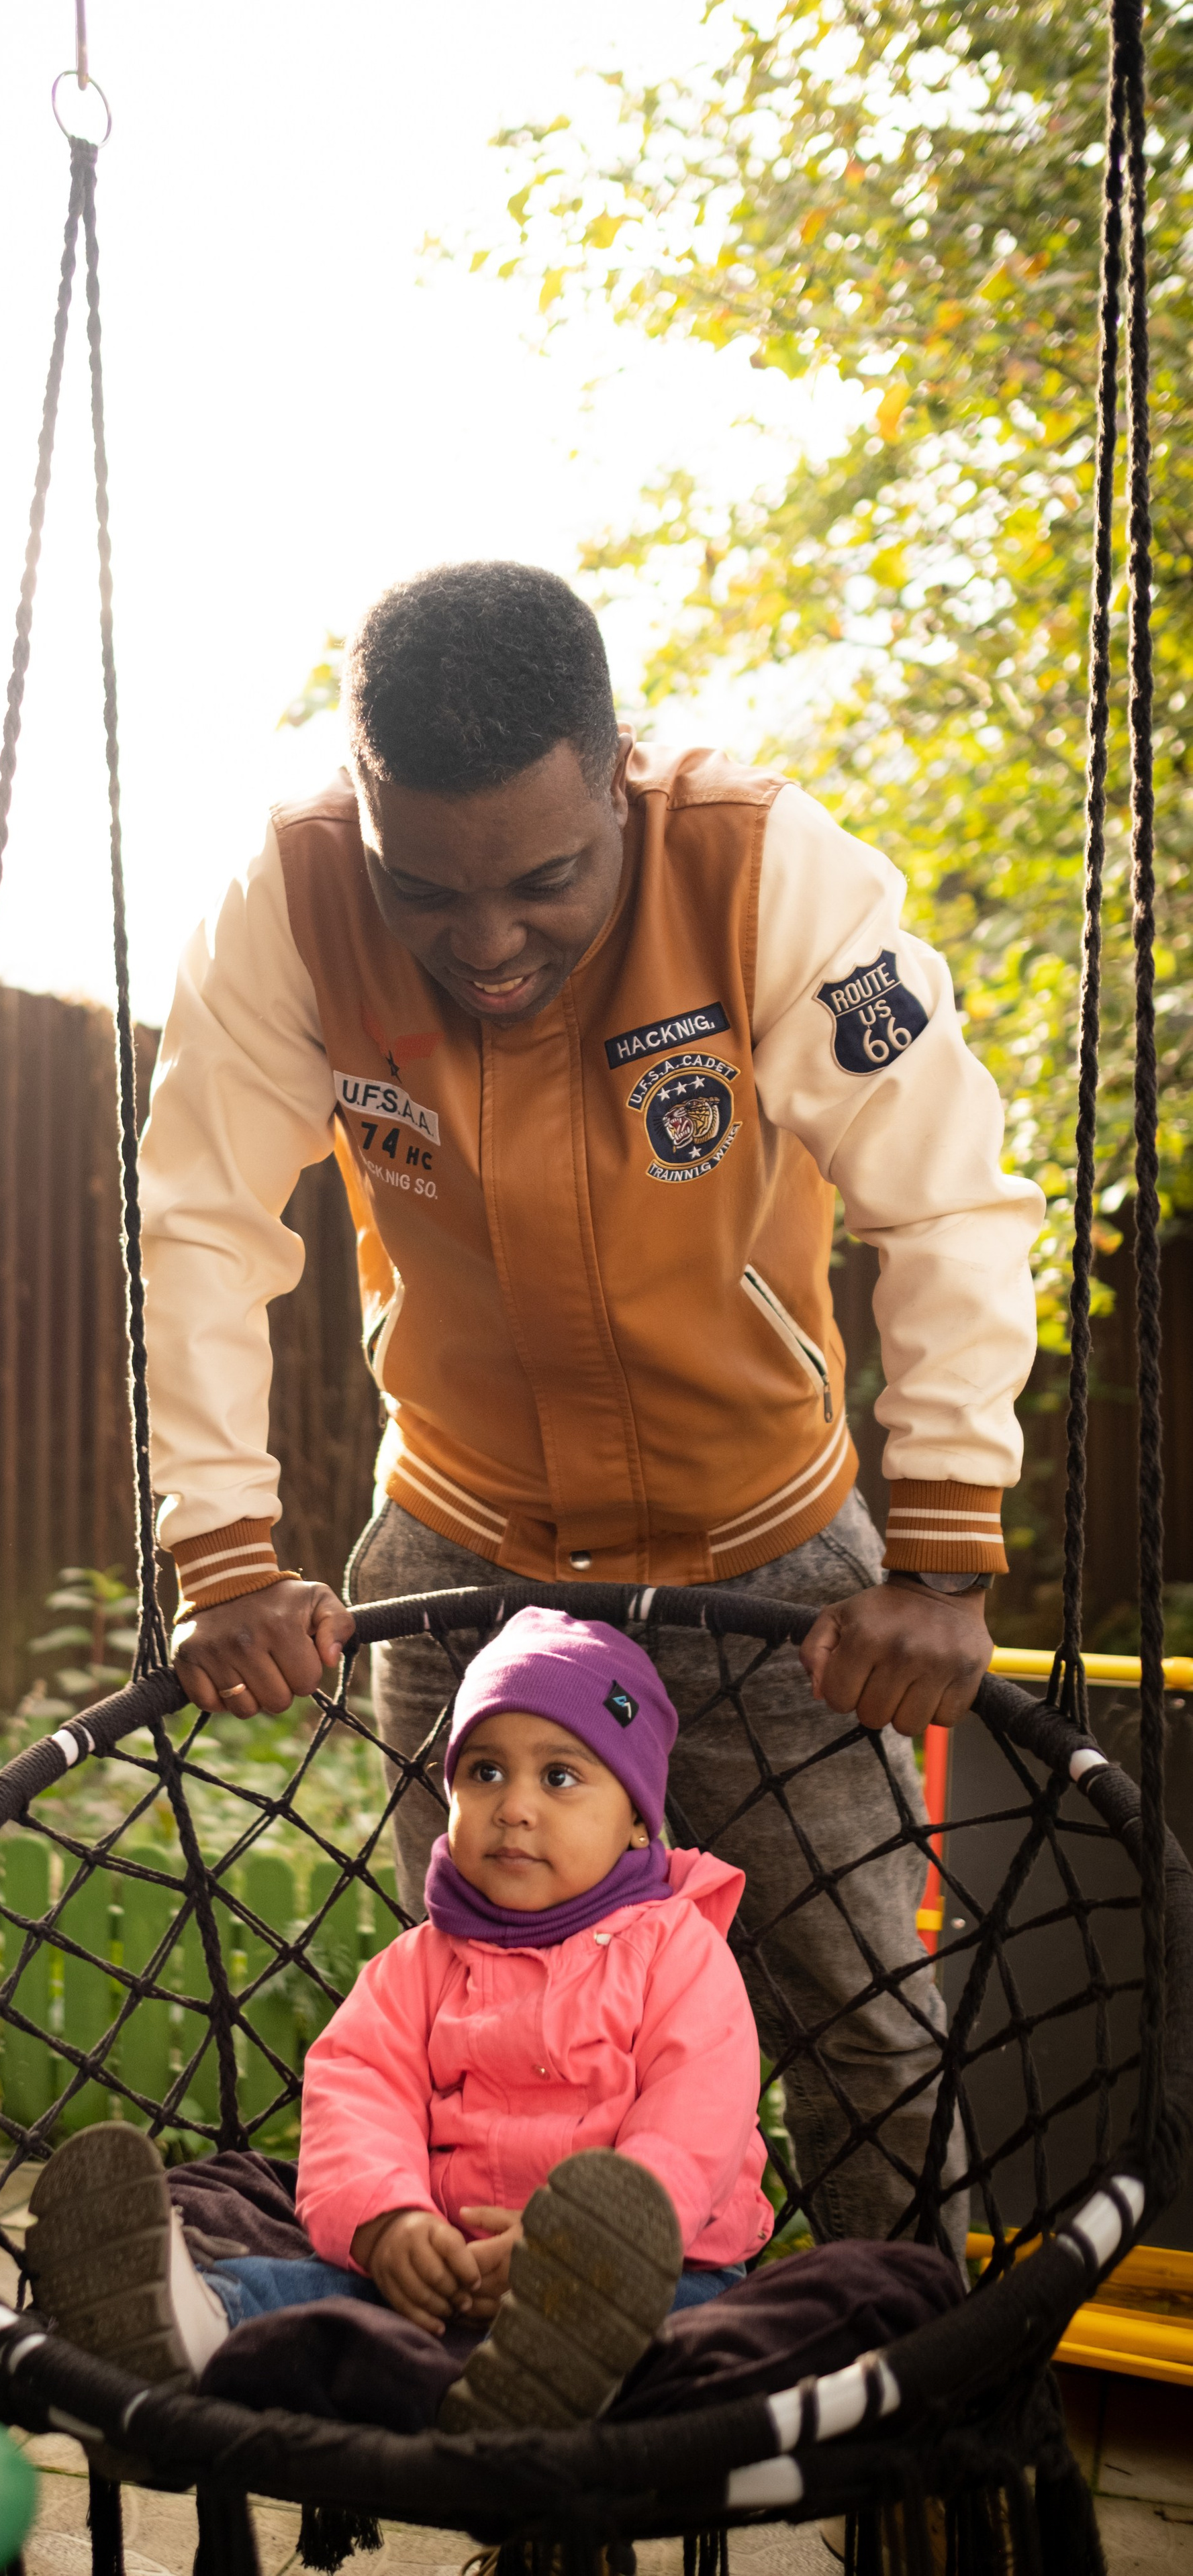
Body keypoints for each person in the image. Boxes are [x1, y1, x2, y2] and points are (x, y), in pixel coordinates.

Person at [138, 560, 1043, 2244]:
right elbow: (197, 1221)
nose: (485, 944)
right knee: (482, 2014)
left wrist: (938, 1551)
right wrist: (223, 1552)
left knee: (869, 2030)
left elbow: (947, 1204)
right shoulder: (290, 902)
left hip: (762, 1547)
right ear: (362, 811)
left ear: (616, 767)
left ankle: (902, 2422)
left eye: (545, 879)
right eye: (429, 893)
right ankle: (529, 2453)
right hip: (464, 1539)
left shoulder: (768, 876)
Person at [27, 1613, 769, 2432]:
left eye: (560, 1777)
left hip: (641, 2274)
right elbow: (358, 2094)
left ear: (636, 1819)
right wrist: (389, 2221)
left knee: (669, 2329)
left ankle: (548, 2369)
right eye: (485, 1772)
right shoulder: (420, 1964)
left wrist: (584, 2243)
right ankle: (182, 2320)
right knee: (324, 2304)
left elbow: (699, 2116)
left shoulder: (677, 1951)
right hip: (439, 2265)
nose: (514, 1807)